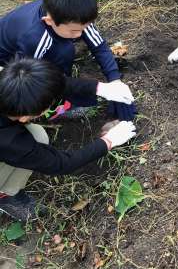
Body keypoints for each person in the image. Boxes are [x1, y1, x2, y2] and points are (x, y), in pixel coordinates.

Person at [0, 58, 136, 221]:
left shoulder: (5, 79)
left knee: (37, 135)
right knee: (37, 139)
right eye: (49, 106)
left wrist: (99, 88)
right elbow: (61, 164)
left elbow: (46, 85)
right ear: (24, 117)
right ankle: (5, 195)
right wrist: (108, 141)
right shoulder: (9, 141)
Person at [0, 0, 137, 121]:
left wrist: (114, 79)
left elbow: (99, 46)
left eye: (84, 28)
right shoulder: (34, 39)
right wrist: (99, 88)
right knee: (64, 52)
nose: (80, 35)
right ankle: (59, 105)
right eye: (74, 31)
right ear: (49, 21)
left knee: (65, 48)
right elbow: (36, 80)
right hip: (8, 65)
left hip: (29, 52)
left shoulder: (70, 13)